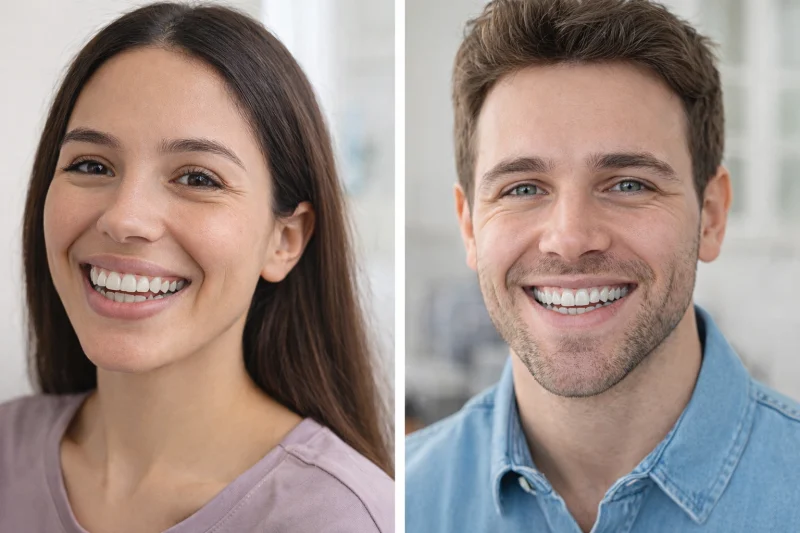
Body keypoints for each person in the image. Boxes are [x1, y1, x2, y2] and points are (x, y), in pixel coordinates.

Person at [406, 0, 800, 531]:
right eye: (523, 188)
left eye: (629, 184)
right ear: (470, 226)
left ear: (711, 216)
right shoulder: (399, 505)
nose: (569, 240)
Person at [0, 3, 393, 532]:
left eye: (198, 178)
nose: (125, 218)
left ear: (285, 240)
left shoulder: (344, 517)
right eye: (91, 165)